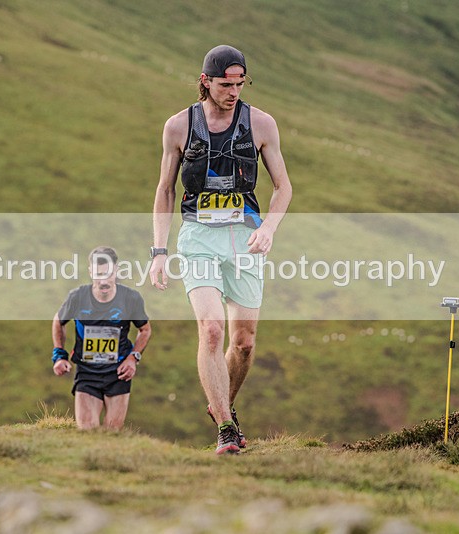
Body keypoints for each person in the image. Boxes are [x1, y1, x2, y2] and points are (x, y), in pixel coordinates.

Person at [149, 45, 292, 454]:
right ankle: (227, 429)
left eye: (240, 84)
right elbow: (165, 190)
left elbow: (283, 187)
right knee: (212, 328)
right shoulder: (178, 127)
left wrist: (269, 228)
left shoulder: (261, 124)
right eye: (225, 85)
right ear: (205, 82)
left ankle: (222, 404)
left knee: (243, 342)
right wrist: (159, 251)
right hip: (198, 236)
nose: (233, 92)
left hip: (245, 238)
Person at [52, 246, 151, 430]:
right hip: (87, 372)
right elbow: (58, 321)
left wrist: (133, 358)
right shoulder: (78, 297)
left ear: (117, 270)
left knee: (112, 432)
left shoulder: (130, 298)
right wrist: (59, 355)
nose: (104, 281)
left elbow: (145, 329)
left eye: (109, 274)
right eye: (99, 274)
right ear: (90, 272)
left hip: (118, 372)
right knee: (87, 431)